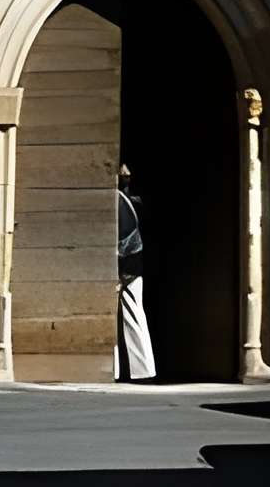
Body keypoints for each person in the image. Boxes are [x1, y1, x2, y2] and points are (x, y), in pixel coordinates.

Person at [116, 162, 154, 381]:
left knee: (132, 312)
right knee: (133, 312)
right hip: (132, 262)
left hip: (127, 264)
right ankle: (140, 369)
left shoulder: (121, 200)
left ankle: (140, 369)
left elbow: (126, 239)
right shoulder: (130, 200)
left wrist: (120, 271)